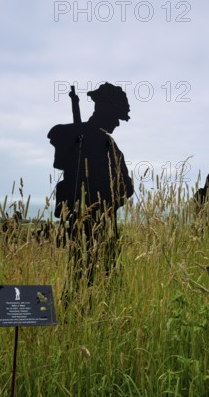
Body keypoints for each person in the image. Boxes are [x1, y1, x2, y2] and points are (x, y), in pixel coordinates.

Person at [47, 82, 134, 307]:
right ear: (104, 110)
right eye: (116, 117)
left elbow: (127, 188)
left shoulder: (108, 145)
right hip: (88, 225)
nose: (117, 123)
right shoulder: (82, 137)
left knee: (100, 279)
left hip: (101, 225)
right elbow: (55, 137)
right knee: (82, 278)